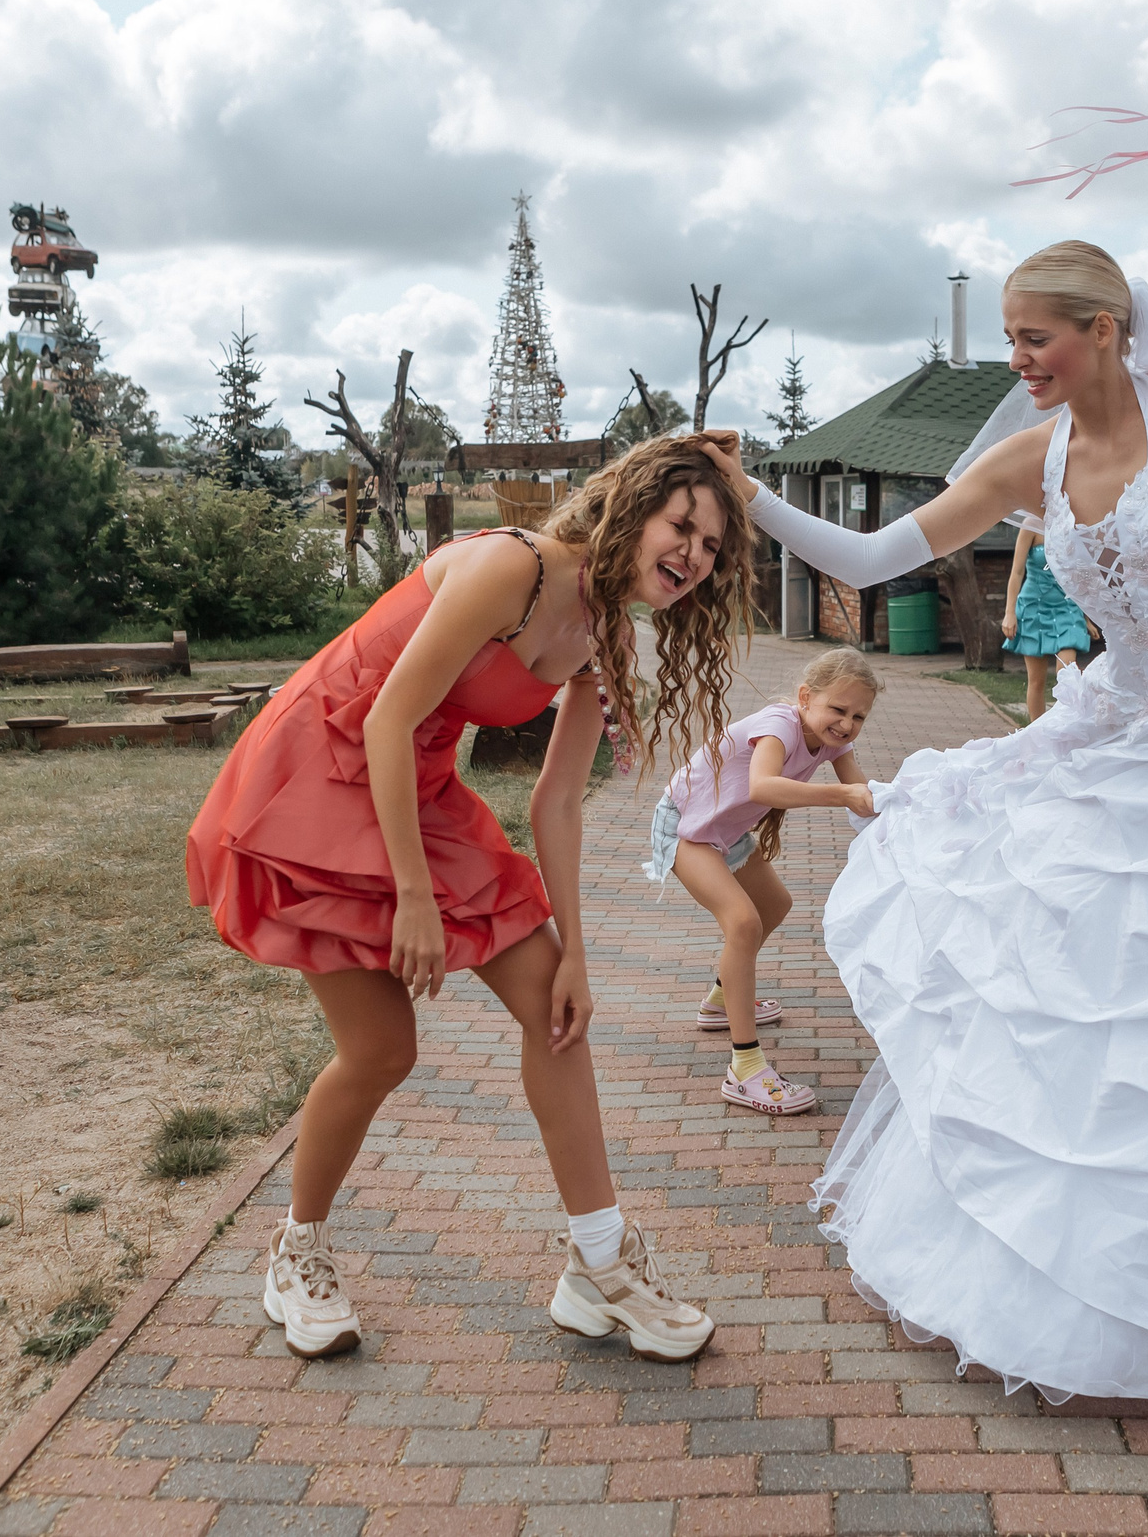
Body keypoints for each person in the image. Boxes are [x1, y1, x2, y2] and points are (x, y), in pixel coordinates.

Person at [697, 116, 1148, 1423]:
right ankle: (1101, 1277)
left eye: (1035, 337)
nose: (1018, 360)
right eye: (1009, 339)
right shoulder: (1024, 458)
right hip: (1120, 732)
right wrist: (746, 495)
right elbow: (869, 559)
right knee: (1099, 996)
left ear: (1103, 328)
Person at [186, 435, 756, 1365]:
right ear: (630, 507)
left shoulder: (605, 638)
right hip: (325, 765)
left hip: (414, 781)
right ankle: (296, 1251)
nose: (692, 554)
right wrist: (414, 896)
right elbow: (387, 715)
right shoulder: (511, 567)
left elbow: (557, 801)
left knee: (555, 1011)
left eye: (711, 546)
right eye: (681, 525)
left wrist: (576, 953)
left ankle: (599, 1265)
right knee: (382, 1050)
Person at [646, 647, 880, 1115]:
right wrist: (841, 795)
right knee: (743, 923)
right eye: (838, 709)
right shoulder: (780, 725)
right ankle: (745, 1069)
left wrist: (909, 809)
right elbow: (763, 786)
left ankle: (720, 1001)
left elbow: (864, 796)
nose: (846, 724)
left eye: (858, 716)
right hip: (687, 824)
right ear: (805, 697)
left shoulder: (832, 740)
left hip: (726, 830)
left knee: (774, 905)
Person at [999, 525, 1090, 719]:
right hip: (1034, 607)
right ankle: (1037, 732)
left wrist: (1088, 618)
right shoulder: (1030, 526)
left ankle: (1066, 727)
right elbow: (1017, 573)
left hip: (1067, 607)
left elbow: (1081, 574)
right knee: (1036, 681)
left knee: (1067, 676)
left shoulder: (1070, 523)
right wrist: (1009, 613)